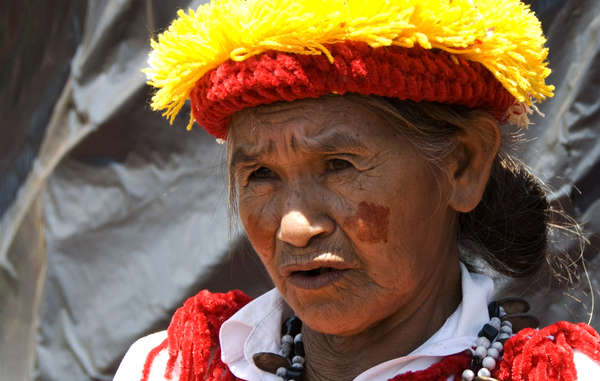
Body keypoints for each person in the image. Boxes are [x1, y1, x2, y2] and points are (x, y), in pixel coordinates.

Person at [114, 0, 600, 380]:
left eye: (338, 165)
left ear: (463, 166)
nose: (295, 228)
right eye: (261, 175)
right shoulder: (170, 370)